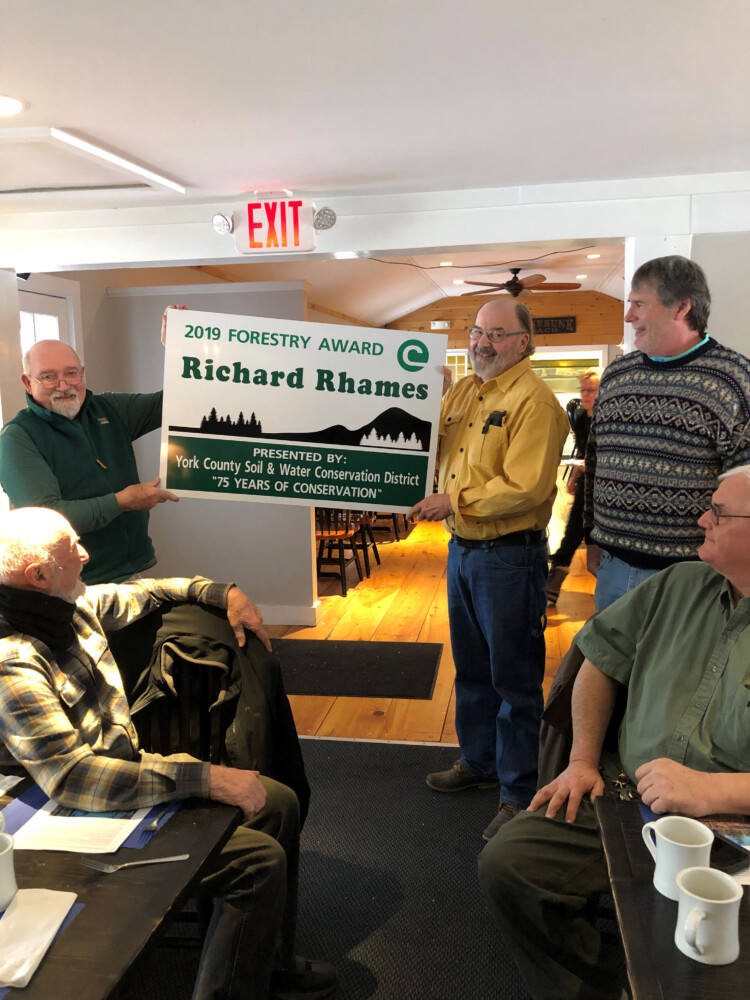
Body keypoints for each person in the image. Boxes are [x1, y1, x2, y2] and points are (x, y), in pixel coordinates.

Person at [0, 507, 336, 1000]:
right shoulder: (13, 662)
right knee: (257, 864)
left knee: (277, 800)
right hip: (63, 816)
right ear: (39, 576)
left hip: (121, 777)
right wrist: (209, 778)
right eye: (73, 548)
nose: (86, 553)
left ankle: (267, 963)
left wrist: (224, 593)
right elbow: (73, 778)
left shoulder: (70, 606)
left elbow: (152, 591)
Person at [478, 464, 750, 1000]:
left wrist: (712, 790)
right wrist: (581, 760)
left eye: (718, 512)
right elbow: (598, 662)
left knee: (715, 957)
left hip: (734, 826)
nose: (701, 519)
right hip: (624, 795)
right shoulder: (678, 584)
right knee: (510, 864)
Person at [408, 298, 569, 840]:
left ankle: (519, 795)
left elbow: (527, 487)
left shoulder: (536, 402)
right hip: (463, 551)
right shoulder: (464, 392)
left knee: (514, 680)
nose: (482, 342)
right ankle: (479, 762)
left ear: (524, 342)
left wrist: (452, 502)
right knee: (473, 669)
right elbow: (433, 445)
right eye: (477, 331)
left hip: (510, 557)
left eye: (496, 334)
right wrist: (417, 396)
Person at [584, 255, 750, 611]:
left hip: (694, 576)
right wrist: (591, 537)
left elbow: (744, 493)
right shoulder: (616, 375)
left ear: (682, 307)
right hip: (612, 567)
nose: (629, 316)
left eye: (639, 304)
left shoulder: (734, 379)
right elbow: (594, 461)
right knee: (607, 651)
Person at [0, 305, 187, 585]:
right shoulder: (17, 438)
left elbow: (177, 402)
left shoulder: (108, 408)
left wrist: (179, 349)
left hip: (129, 572)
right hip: (71, 584)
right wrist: (123, 501)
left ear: (82, 373)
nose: (63, 385)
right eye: (48, 376)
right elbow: (47, 518)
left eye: (71, 373)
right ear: (28, 382)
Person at [546, 369, 600, 604]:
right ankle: (554, 580)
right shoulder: (582, 418)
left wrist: (584, 466)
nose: (585, 394)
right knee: (574, 529)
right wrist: (575, 476)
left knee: (587, 535)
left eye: (591, 390)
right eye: (582, 389)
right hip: (588, 483)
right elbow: (584, 451)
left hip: (603, 488)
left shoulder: (605, 419)